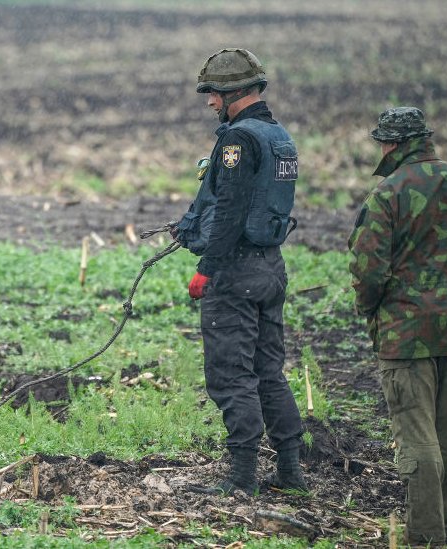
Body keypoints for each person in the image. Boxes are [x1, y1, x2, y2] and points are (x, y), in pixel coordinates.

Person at [348, 107, 447, 545]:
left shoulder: (387, 195)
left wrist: (377, 310)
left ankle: (427, 538)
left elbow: (368, 271)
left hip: (404, 338)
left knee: (417, 440)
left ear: (392, 145)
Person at [172, 48, 306, 496]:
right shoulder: (278, 135)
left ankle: (241, 478)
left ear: (236, 93)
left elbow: (229, 211)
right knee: (270, 372)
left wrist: (206, 269)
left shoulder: (237, 140)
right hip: (271, 267)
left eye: (214, 93)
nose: (210, 102)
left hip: (236, 271)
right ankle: (290, 474)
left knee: (232, 375)